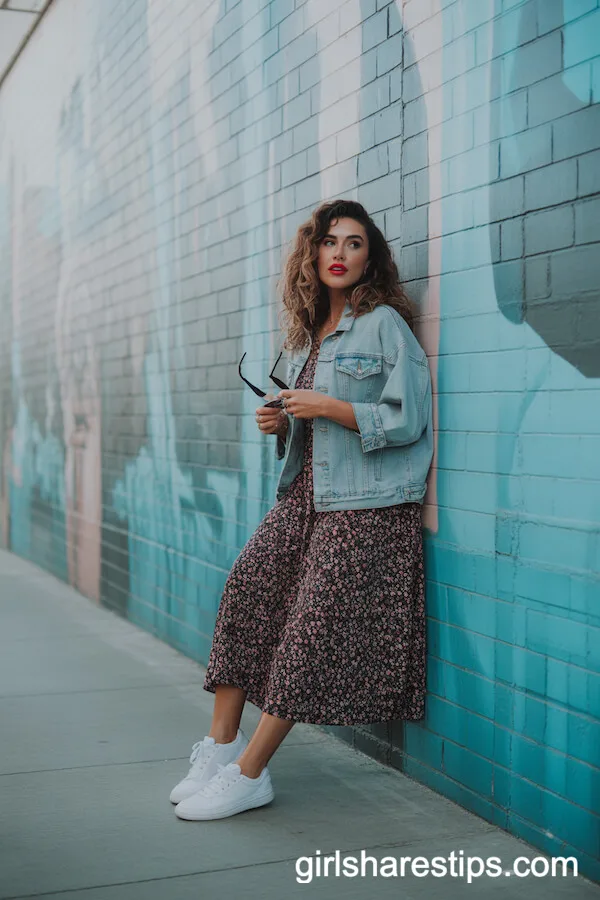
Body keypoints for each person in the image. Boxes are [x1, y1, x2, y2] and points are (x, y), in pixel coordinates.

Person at [170, 199, 434, 821]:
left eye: (355, 244)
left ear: (371, 259)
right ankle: (219, 746)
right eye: (330, 242)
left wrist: (327, 408)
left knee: (307, 632)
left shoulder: (384, 325)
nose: (339, 254)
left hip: (367, 508)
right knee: (246, 590)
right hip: (308, 497)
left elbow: (409, 419)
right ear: (312, 253)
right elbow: (309, 425)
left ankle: (248, 774)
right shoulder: (305, 335)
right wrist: (281, 424)